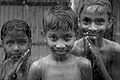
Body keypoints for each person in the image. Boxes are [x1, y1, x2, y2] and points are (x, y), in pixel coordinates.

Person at [27, 5, 92, 80]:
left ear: (76, 35)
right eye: (54, 38)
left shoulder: (83, 66)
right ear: (44, 36)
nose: (60, 45)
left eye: (67, 38)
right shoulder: (38, 68)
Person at [71, 0, 120, 80]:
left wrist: (98, 62)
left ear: (109, 22)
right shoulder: (73, 50)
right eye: (86, 21)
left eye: (99, 22)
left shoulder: (115, 51)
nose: (92, 28)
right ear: (79, 21)